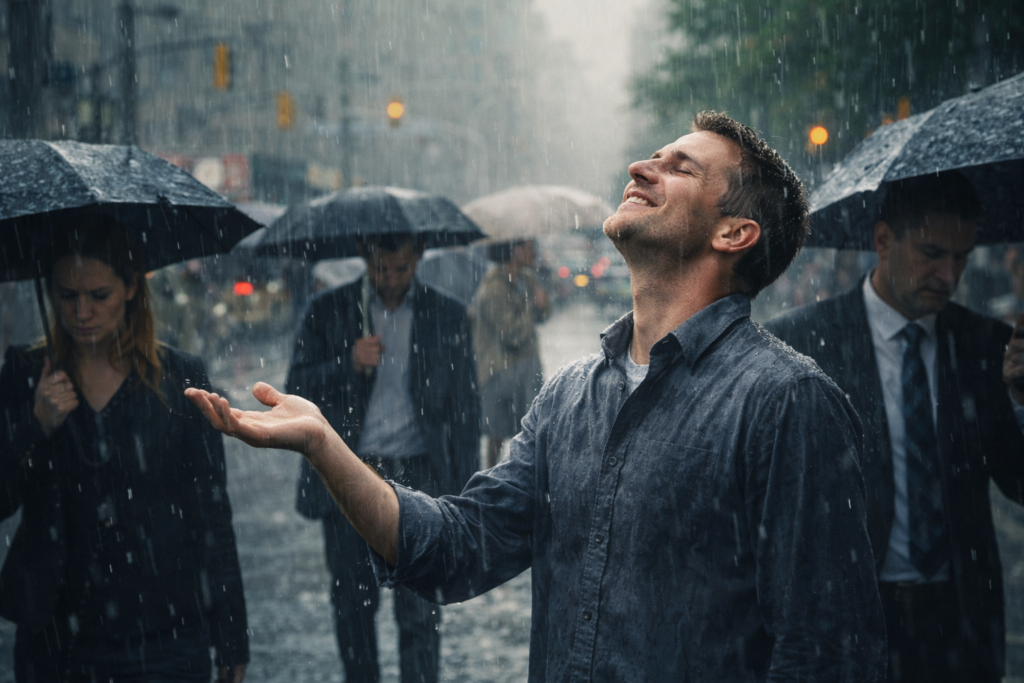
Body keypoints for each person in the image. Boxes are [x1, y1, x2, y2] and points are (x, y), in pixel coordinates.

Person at [187, 112, 887, 681]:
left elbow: (827, 654)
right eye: (652, 156)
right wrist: (324, 443)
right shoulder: (570, 398)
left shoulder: (787, 403)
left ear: (734, 233)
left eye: (681, 167)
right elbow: (457, 546)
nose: (641, 168)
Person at [765, 170, 1024, 682]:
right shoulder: (803, 341)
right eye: (932, 253)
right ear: (883, 241)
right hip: (849, 617)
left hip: (962, 623)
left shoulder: (986, 345)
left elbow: (1017, 479)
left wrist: (1020, 402)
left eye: (962, 257)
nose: (948, 274)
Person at [0, 222, 249, 683]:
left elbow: (211, 512)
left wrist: (231, 631)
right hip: (57, 638)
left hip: (165, 631)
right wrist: (35, 426)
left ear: (132, 288)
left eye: (99, 295)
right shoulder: (25, 373)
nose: (82, 312)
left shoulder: (179, 379)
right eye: (67, 296)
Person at [286, 234, 480, 683]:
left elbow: (465, 409)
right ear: (364, 258)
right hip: (349, 473)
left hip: (421, 476)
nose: (390, 279)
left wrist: (465, 494)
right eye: (380, 269)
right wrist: (347, 362)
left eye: (400, 269)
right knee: (353, 608)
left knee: (420, 611)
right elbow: (295, 387)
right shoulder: (329, 309)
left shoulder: (446, 313)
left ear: (418, 258)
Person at [472, 238, 550, 468]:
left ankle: (524, 477)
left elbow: (542, 317)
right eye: (530, 247)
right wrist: (531, 306)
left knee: (529, 432)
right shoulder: (494, 287)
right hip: (499, 370)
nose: (534, 252)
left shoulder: (527, 279)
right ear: (515, 250)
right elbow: (512, 333)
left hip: (525, 369)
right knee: (496, 435)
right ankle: (490, 479)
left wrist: (542, 304)